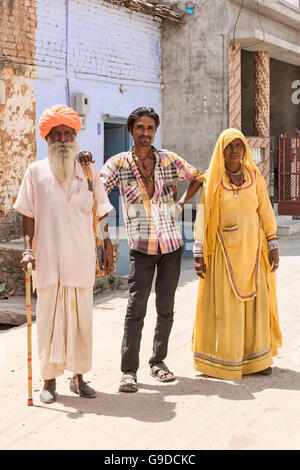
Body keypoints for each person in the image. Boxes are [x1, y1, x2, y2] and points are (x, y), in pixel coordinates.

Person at [79, 106, 204, 392]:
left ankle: (158, 362)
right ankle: (128, 371)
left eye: (150, 129)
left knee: (166, 307)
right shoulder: (118, 164)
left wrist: (181, 203)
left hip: (171, 244)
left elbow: (198, 176)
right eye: (140, 129)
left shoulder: (169, 159)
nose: (145, 134)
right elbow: (95, 189)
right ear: (131, 131)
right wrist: (82, 164)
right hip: (142, 247)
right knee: (136, 308)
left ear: (154, 131)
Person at [14, 104, 114, 404]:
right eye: (56, 133)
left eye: (68, 133)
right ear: (47, 138)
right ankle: (49, 381)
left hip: (80, 259)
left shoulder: (88, 169)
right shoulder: (36, 171)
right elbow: (27, 213)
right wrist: (28, 248)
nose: (62, 138)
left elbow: (102, 209)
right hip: (49, 260)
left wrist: (107, 245)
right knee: (48, 322)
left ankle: (79, 377)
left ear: (75, 136)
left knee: (82, 322)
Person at [192, 128, 282, 381]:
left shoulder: (254, 177)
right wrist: (199, 252)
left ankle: (257, 361)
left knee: (256, 306)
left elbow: (265, 211)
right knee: (226, 307)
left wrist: (272, 245)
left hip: (253, 253)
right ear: (222, 150)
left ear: (244, 150)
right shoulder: (212, 180)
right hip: (222, 253)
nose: (234, 150)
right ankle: (223, 362)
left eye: (239, 145)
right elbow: (203, 216)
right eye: (229, 146)